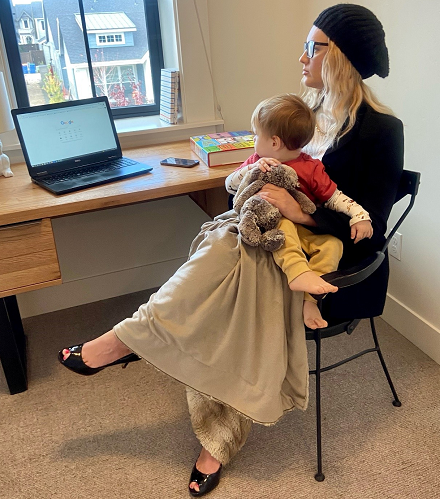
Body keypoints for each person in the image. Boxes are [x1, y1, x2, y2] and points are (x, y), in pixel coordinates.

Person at [58, 4, 404, 497]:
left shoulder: (380, 131)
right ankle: (187, 406)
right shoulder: (307, 111)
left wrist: (298, 210)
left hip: (328, 259)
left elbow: (370, 225)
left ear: (341, 56)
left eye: (312, 46)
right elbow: (243, 186)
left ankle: (127, 344)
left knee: (234, 291)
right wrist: (258, 184)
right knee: (226, 258)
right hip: (269, 237)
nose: (301, 55)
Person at [225, 93, 373, 329]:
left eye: (255, 135)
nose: (254, 141)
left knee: (333, 245)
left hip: (302, 228)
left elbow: (335, 198)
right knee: (284, 229)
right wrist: (250, 170)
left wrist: (360, 216)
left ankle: (310, 300)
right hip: (271, 227)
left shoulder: (311, 168)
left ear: (274, 142)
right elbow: (230, 186)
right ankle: (297, 273)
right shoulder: (256, 160)